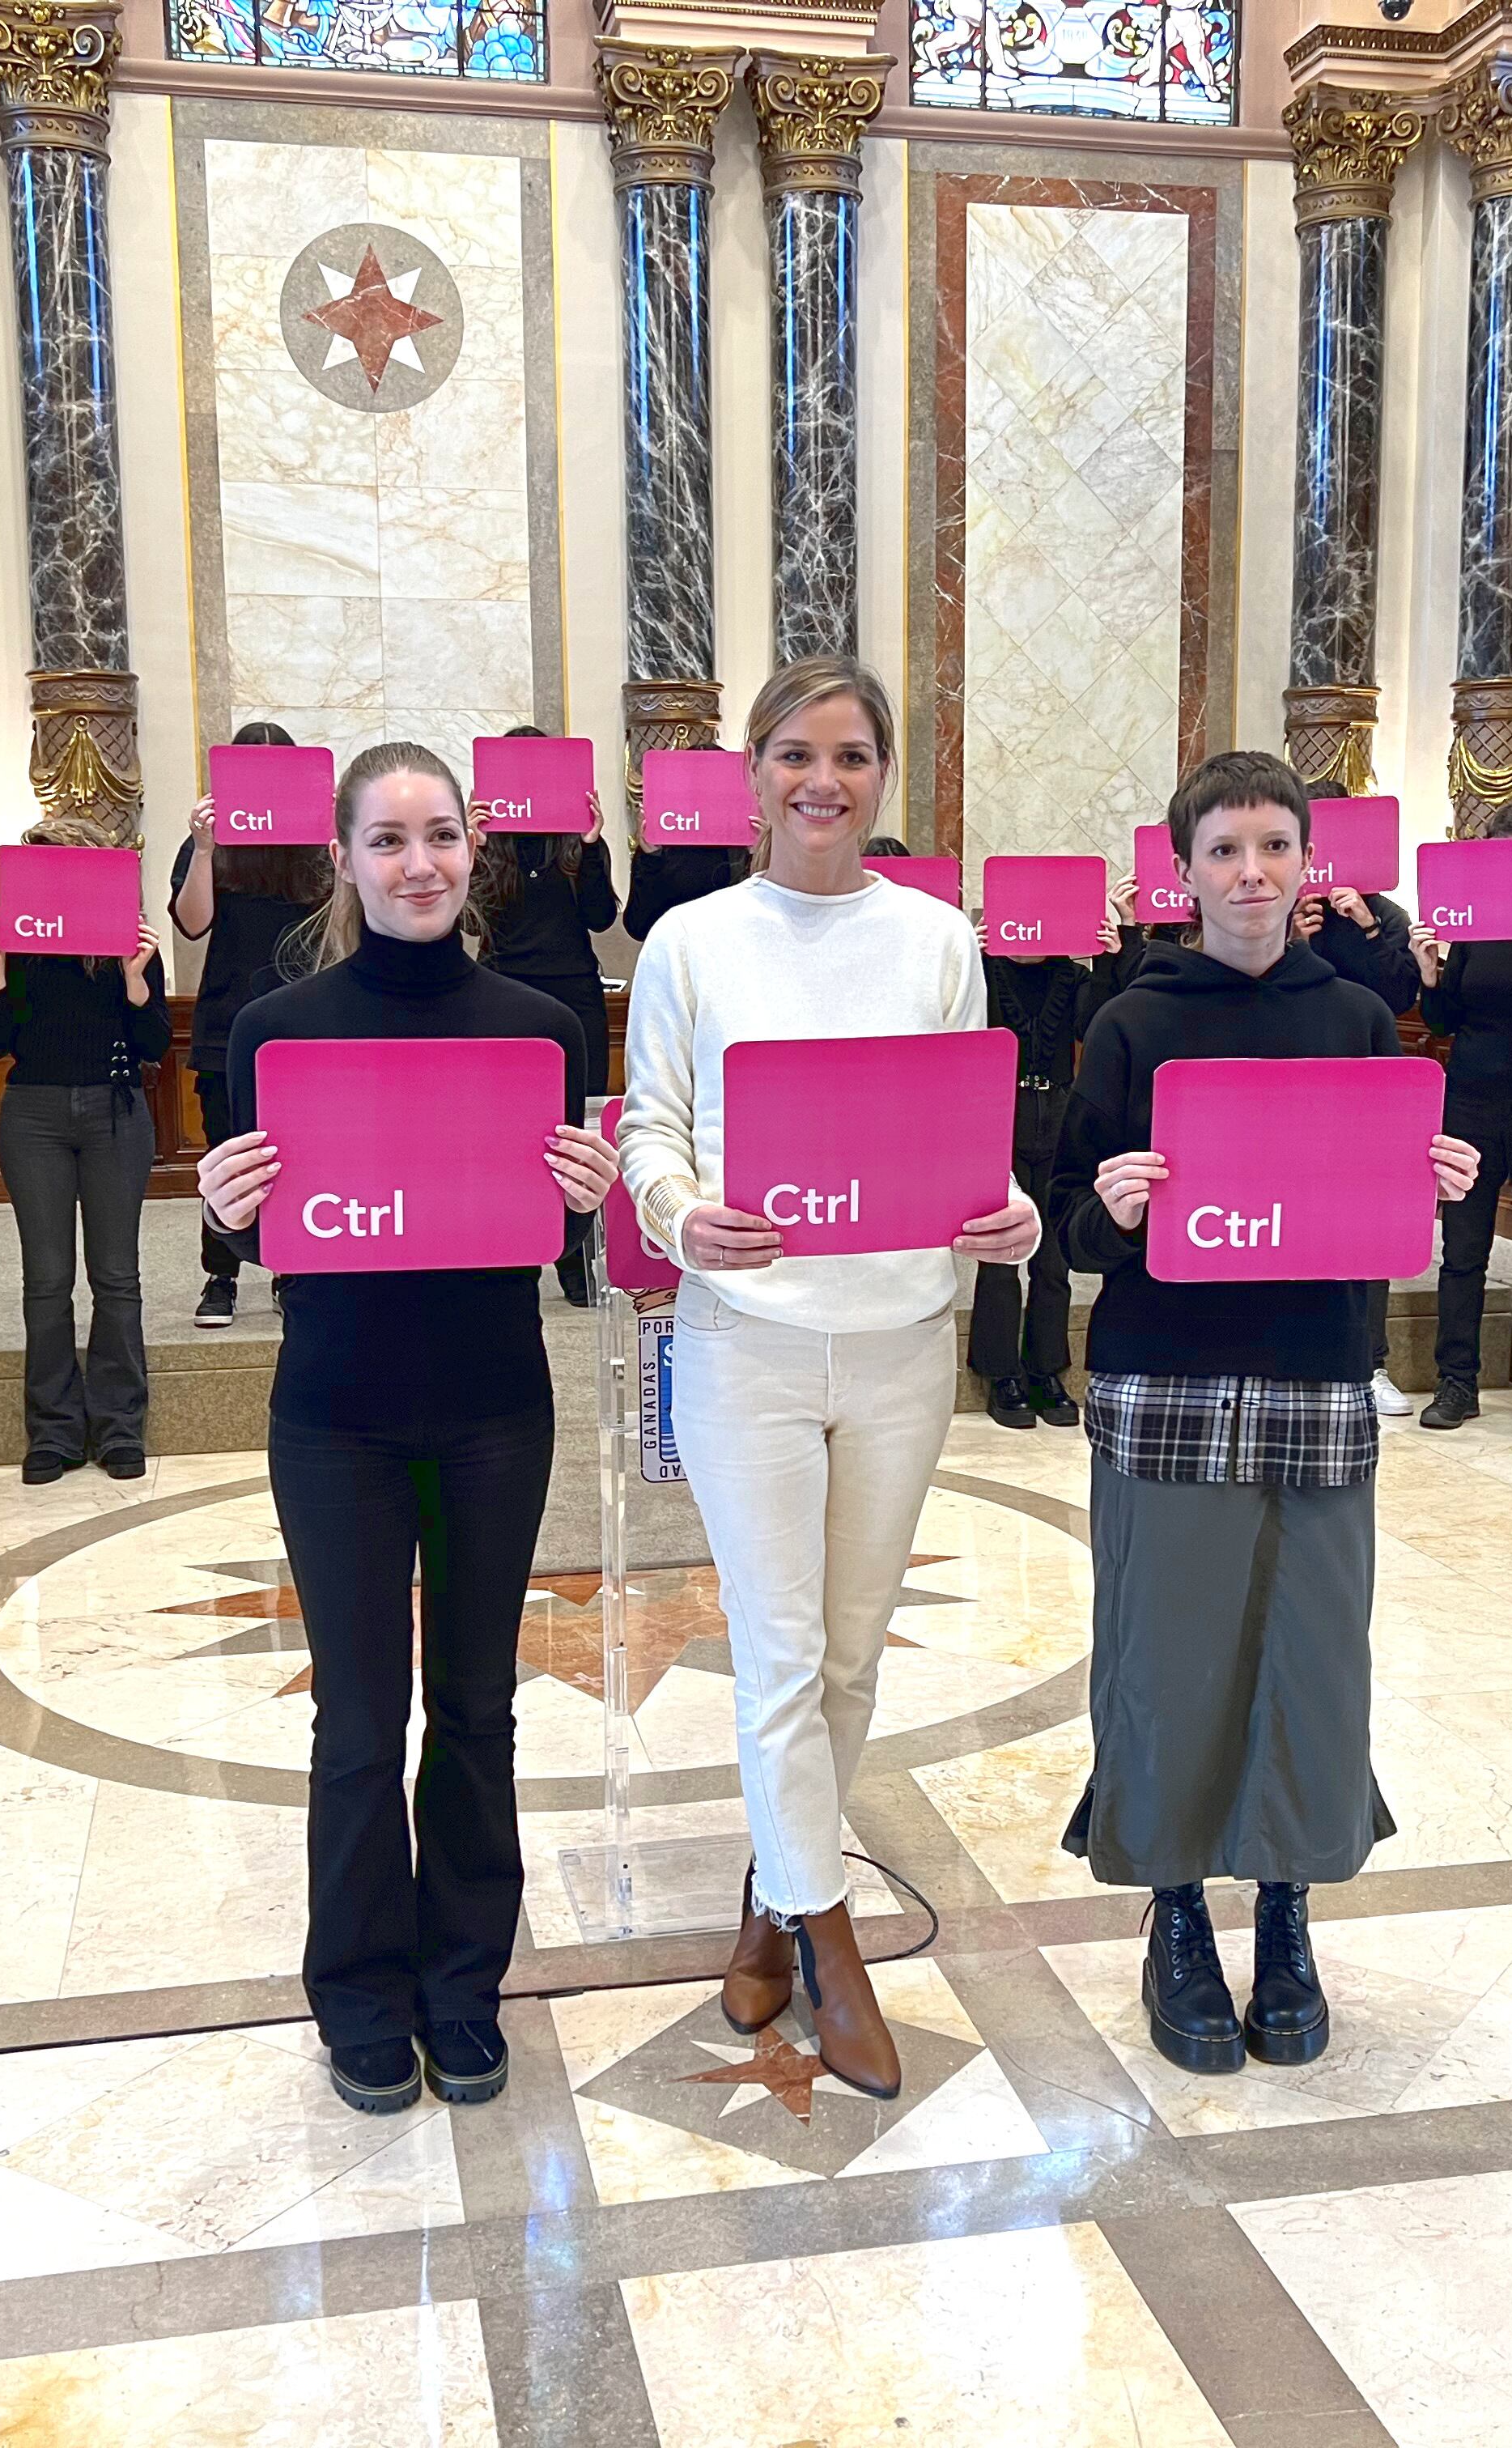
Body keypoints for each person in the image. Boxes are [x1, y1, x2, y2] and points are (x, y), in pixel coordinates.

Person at [617, 657, 1041, 2101]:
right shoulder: (691, 939)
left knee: (849, 1655)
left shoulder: (934, 936)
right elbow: (651, 1127)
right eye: (795, 752)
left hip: (903, 1335)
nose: (822, 779)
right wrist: (681, 1213)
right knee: (780, 1651)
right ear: (752, 775)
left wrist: (1006, 1210)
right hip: (743, 1338)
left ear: (879, 777)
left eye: (850, 754)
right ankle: (831, 1934)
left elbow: (961, 1128)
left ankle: (767, 1890)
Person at [195, 741, 616, 2116]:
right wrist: (220, 1203)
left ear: (473, 848)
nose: (418, 862)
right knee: (361, 1717)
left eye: (440, 835)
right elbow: (265, 1228)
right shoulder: (277, 1030)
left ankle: (462, 1980)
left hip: (496, 1402)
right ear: (344, 858)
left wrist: (590, 1187)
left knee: (481, 1705)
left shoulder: (539, 1027)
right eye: (388, 840)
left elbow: (557, 1225)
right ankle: (361, 1990)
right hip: (336, 1415)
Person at [1049, 750, 1477, 2074]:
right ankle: (1174, 1907)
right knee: (1167, 1652)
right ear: (1181, 869)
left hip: (1310, 1374)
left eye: (1273, 848)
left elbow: (1368, 1212)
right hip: (1163, 1375)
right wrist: (1110, 1204)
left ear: (1310, 867)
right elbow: (1063, 1217)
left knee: (1309, 1653)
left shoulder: (1354, 1017)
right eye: (1224, 849)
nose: (1250, 873)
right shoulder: (1130, 1021)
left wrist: (1432, 1183)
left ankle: (1284, 1911)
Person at [0, 818, 170, 1484]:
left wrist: (138, 980)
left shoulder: (127, 938)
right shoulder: (18, 944)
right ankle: (54, 1431)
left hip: (113, 1110)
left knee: (117, 1276)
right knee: (47, 1278)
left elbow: (153, 1044)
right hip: (32, 1112)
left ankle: (119, 1426)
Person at [1406, 799, 1512, 1435]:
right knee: (1463, 1250)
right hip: (1471, 1103)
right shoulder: (1473, 924)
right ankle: (1458, 1382)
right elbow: (1448, 1021)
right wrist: (1431, 973)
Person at [172, 720, 329, 1329]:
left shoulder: (318, 842)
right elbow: (190, 923)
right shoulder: (211, 840)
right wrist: (205, 848)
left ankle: (293, 1267)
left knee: (301, 1151)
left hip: (304, 1020)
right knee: (225, 1150)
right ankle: (221, 1273)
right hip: (226, 1020)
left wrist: (338, 829)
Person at [476, 726, 622, 1307]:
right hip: (501, 994)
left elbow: (601, 917)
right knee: (501, 1130)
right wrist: (474, 845)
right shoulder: (489, 845)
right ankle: (506, 1253)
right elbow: (468, 923)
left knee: (574, 1135)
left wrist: (590, 846)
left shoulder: (576, 843)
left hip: (573, 997)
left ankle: (574, 1262)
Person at [969, 906, 1119, 1430]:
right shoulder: (983, 970)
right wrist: (969, 952)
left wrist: (1106, 960)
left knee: (1053, 1259)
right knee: (1001, 1251)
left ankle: (1046, 1369)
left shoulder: (1071, 974)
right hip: (997, 1116)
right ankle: (1001, 1372)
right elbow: (957, 1020)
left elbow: (1095, 1029)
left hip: (1058, 1115)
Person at [1297, 876, 1420, 1417]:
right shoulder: (1286, 911)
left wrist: (1369, 930)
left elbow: (1400, 995)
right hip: (1293, 1087)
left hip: (1367, 1087)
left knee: (1367, 1229)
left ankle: (1371, 1364)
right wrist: (1293, 943)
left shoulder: (1386, 916)